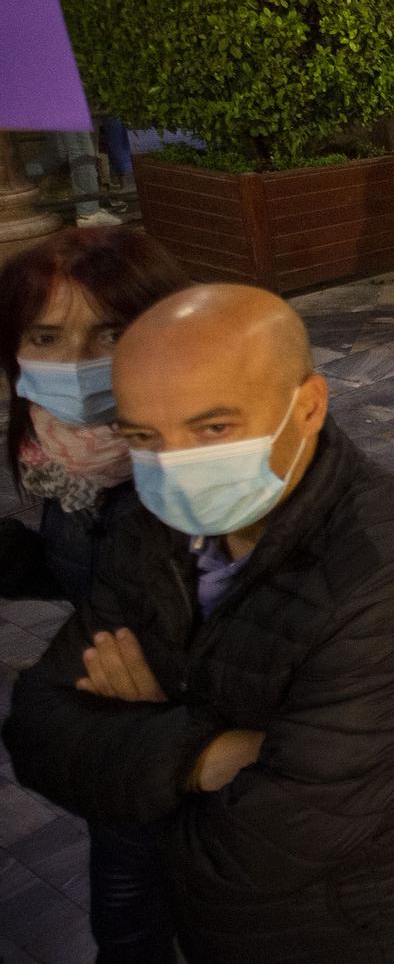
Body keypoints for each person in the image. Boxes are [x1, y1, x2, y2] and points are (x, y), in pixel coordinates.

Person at [3, 284, 394, 964]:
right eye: (144, 435)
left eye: (213, 428)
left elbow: (269, 847)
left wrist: (135, 746)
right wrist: (203, 755)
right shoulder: (152, 526)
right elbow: (36, 726)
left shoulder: (389, 570)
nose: (173, 465)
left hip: (381, 933)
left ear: (309, 406)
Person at [0, 227, 188, 964]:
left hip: (169, 749)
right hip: (126, 749)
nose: (77, 363)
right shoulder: (55, 450)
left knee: (139, 920)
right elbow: (81, 564)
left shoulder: (196, 467)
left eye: (108, 331)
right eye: (45, 335)